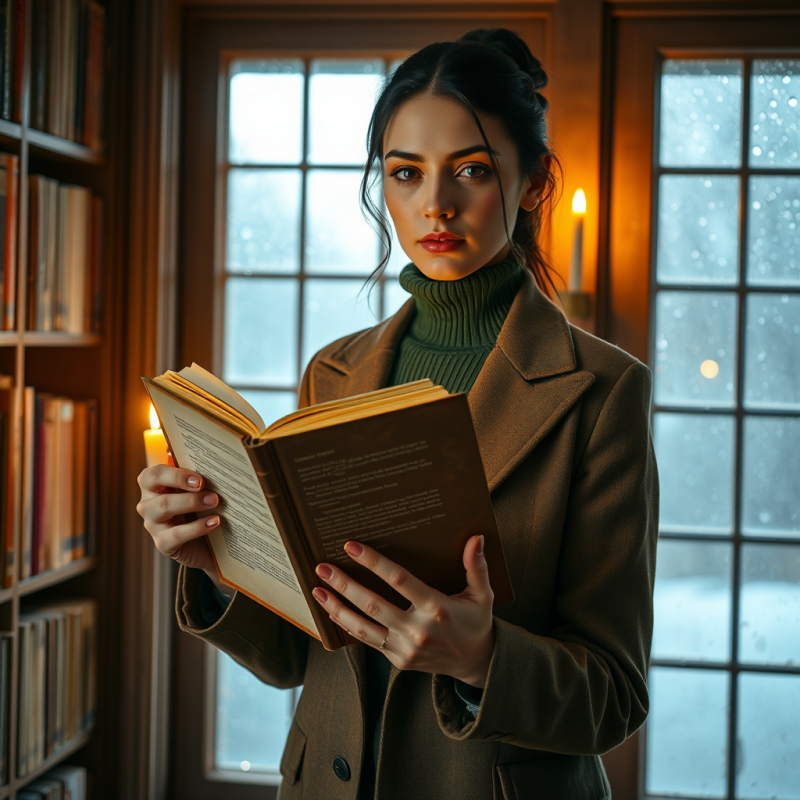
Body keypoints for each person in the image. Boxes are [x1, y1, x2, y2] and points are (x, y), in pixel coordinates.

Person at [136, 28, 659, 800]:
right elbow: (292, 657)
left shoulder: (602, 390)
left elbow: (616, 695)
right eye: (405, 173)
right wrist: (213, 565)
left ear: (533, 184)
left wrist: (483, 659)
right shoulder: (335, 370)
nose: (435, 204)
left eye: (472, 171)